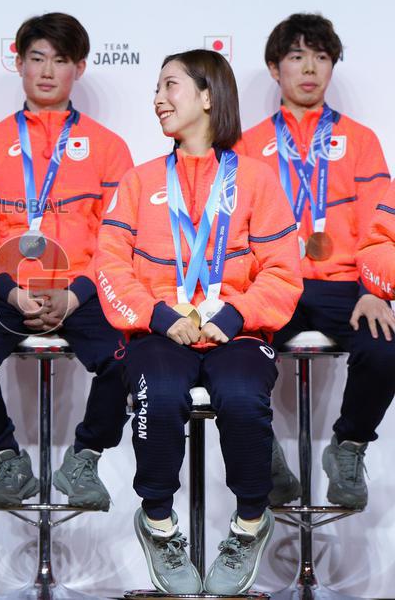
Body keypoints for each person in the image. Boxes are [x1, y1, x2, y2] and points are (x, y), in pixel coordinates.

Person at [94, 50, 302, 594]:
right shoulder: (139, 182)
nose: (157, 98)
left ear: (208, 96)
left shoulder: (256, 180)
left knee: (241, 396)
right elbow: (110, 265)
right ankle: (159, 523)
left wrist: (235, 314)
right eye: (156, 88)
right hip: (162, 333)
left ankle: (251, 522)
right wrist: (160, 316)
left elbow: (283, 271)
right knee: (157, 392)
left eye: (170, 86)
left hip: (234, 332)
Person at [0, 12, 132, 511]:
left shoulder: (110, 150)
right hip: (5, 289)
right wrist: (7, 288)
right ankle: (7, 457)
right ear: (18, 63)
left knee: (132, 357)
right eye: (36, 58)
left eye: (60, 60)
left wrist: (77, 294)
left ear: (81, 68)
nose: (47, 71)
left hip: (82, 290)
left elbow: (118, 242)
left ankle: (86, 457)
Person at [238, 13, 394, 510]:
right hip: (272, 281)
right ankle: (261, 452)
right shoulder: (247, 144)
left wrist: (376, 288)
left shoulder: (362, 140)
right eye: (297, 56)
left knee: (386, 346)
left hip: (345, 283)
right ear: (273, 67)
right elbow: (233, 231)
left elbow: (380, 225)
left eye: (321, 57)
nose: (310, 68)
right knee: (229, 357)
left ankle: (348, 447)